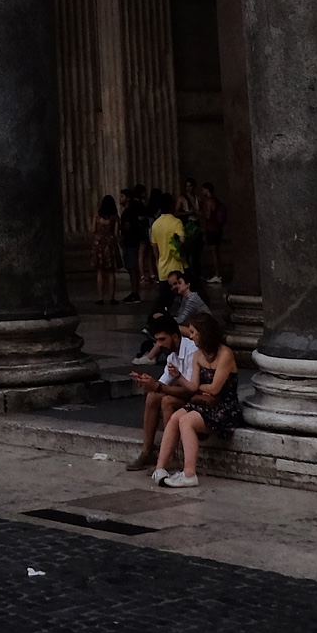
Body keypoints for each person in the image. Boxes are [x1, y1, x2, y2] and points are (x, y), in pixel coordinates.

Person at [152, 312, 241, 486]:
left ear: (204, 332)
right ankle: (160, 467)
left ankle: (189, 473)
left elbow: (215, 389)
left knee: (187, 421)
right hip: (205, 403)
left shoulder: (225, 354)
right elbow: (193, 386)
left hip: (224, 407)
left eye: (193, 332)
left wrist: (202, 388)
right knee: (175, 417)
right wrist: (178, 377)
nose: (190, 336)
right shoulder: (198, 355)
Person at [127, 312, 196, 472]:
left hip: (196, 395)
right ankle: (147, 451)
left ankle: (171, 457)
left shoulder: (192, 351)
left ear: (175, 336)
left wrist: (158, 387)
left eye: (162, 340)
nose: (159, 345)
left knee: (167, 401)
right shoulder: (171, 355)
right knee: (153, 397)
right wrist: (148, 383)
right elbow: (163, 383)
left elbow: (190, 390)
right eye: (157, 341)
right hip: (184, 394)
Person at [149, 191, 186, 287]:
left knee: (164, 298)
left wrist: (158, 261)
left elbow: (154, 246)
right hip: (177, 267)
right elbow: (182, 242)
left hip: (162, 268)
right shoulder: (177, 222)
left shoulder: (155, 224)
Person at [89, 195, 121, 307]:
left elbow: (93, 230)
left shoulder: (97, 216)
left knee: (100, 272)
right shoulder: (115, 218)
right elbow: (116, 234)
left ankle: (100, 297)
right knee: (111, 272)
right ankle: (112, 297)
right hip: (110, 244)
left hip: (99, 244)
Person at [118, 187, 147, 301]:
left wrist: (121, 232)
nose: (120, 199)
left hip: (130, 242)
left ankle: (135, 293)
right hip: (134, 241)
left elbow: (126, 228)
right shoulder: (132, 211)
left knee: (132, 268)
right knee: (132, 268)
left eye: (122, 196)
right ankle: (134, 292)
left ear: (128, 198)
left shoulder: (127, 212)